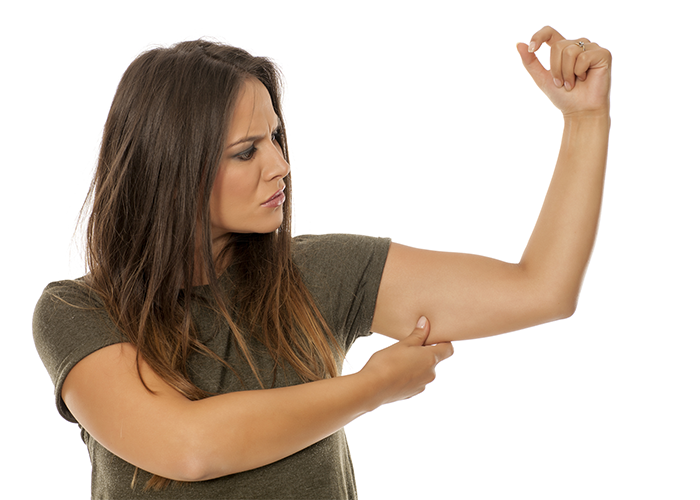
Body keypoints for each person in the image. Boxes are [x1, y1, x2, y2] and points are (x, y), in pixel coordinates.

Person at [33, 26, 611, 499]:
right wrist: (371, 388)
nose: (281, 165)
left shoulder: (321, 274)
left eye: (276, 138)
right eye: (246, 151)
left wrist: (585, 121)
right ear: (171, 168)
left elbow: (543, 290)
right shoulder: (78, 310)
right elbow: (188, 447)